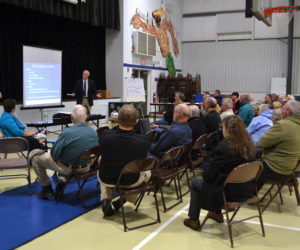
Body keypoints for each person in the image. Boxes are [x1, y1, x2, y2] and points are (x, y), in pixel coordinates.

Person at [183, 116, 256, 230]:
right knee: (219, 178)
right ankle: (216, 213)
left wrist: (206, 170)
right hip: (247, 190)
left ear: (227, 130)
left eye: (223, 128)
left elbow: (208, 176)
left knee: (196, 182)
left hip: (227, 194)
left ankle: (193, 220)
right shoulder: (250, 146)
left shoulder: (224, 148)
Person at [28, 105, 99, 199]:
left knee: (35, 157)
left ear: (72, 118)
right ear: (86, 117)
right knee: (67, 156)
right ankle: (63, 179)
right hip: (85, 167)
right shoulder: (93, 132)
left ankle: (47, 189)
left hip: (68, 168)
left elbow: (54, 153)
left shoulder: (67, 133)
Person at [98, 105, 151, 216]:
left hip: (107, 178)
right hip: (132, 180)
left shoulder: (104, 137)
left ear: (117, 120)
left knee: (102, 162)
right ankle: (123, 199)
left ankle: (105, 199)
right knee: (148, 171)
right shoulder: (144, 141)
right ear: (136, 121)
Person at [257, 100, 300, 189]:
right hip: (293, 171)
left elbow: (261, 143)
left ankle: (248, 194)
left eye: (283, 109)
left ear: (288, 112)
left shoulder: (283, 125)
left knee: (247, 162)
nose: (281, 111)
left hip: (276, 170)